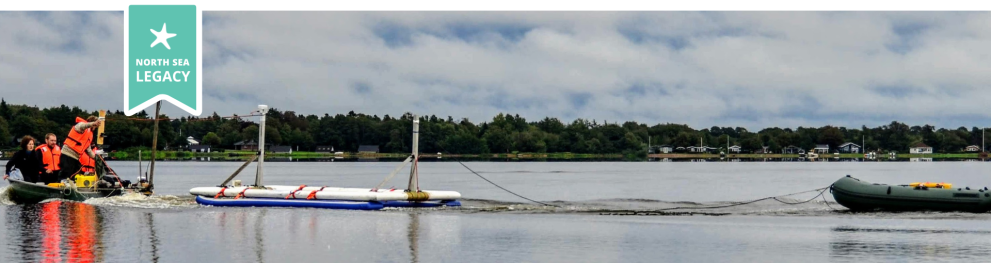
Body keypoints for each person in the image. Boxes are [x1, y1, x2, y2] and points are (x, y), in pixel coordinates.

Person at [59, 116, 103, 181]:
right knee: (66, 173)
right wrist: (93, 123)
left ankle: (71, 186)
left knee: (75, 173)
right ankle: (61, 185)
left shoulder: (89, 134)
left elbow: (88, 150)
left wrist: (96, 158)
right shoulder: (81, 126)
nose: (95, 128)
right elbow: (83, 125)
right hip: (67, 154)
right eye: (95, 126)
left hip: (75, 157)